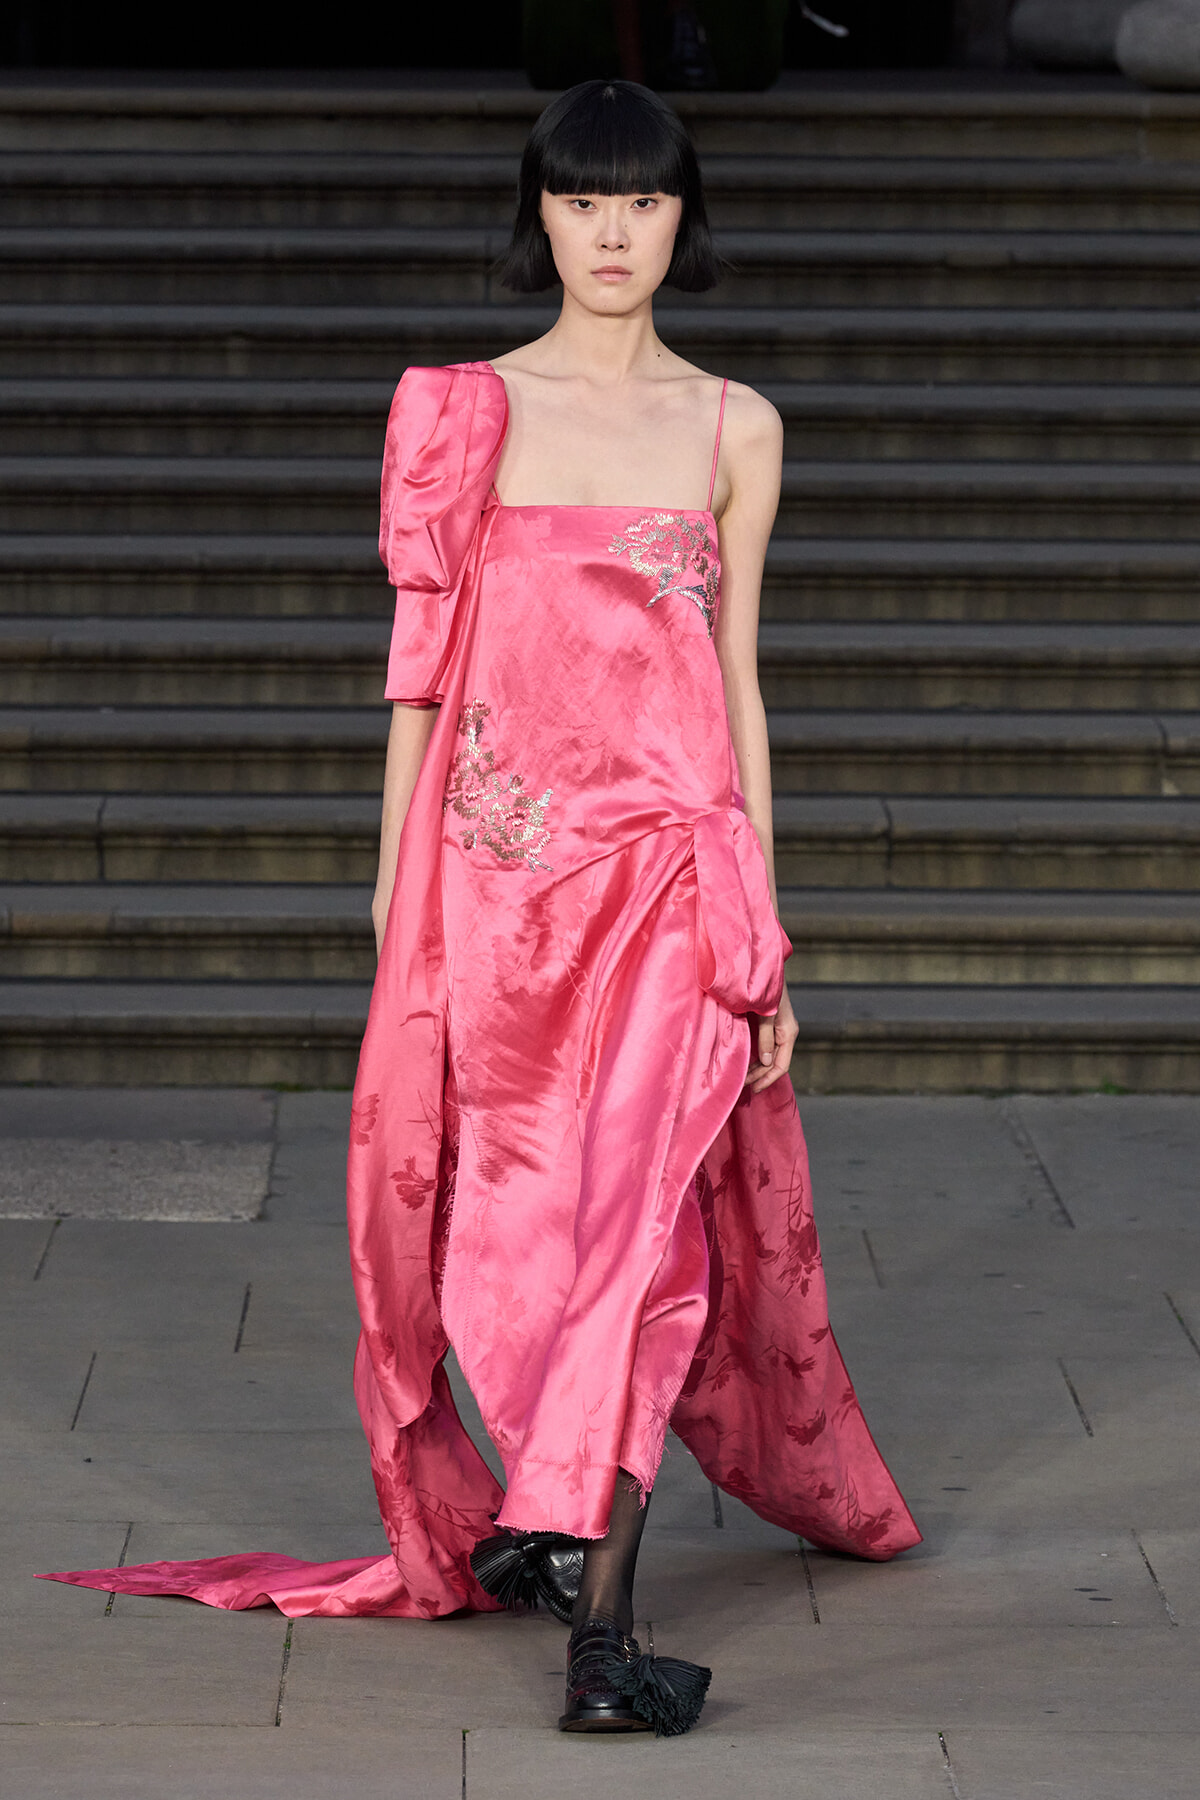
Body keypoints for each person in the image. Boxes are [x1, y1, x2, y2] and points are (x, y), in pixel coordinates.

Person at [40, 79, 920, 1738]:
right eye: (583, 201)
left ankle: (603, 1634)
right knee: (506, 1235)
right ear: (540, 218)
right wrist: (395, 887)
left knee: (641, 1235)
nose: (612, 231)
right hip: (500, 887)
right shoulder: (458, 415)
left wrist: (763, 919)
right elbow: (423, 681)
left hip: (668, 875)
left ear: (683, 223)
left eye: (644, 202)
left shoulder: (737, 426)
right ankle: (542, 1527)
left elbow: (735, 687)